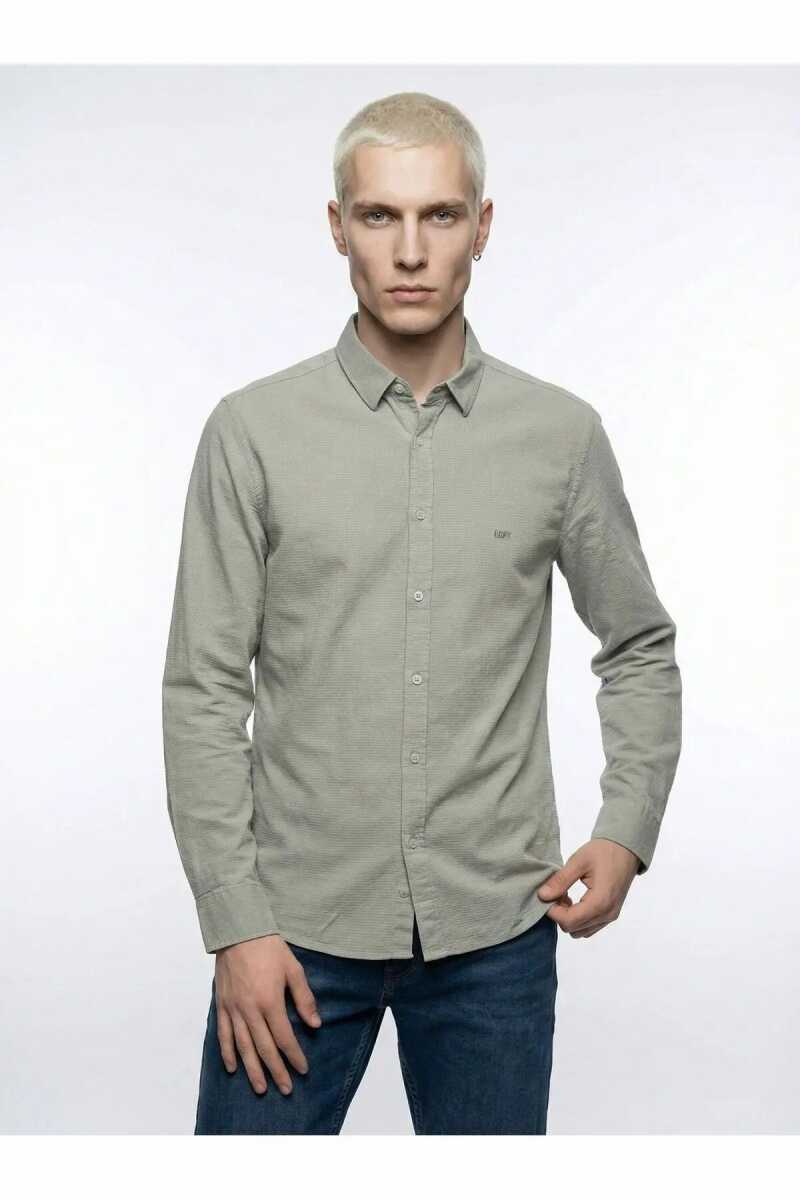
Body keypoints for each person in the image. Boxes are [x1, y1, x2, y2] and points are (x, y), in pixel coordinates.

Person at [161, 91, 682, 1136]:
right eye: (379, 216)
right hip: (292, 938)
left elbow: (637, 645)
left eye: (439, 215)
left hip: (496, 937)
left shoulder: (559, 436)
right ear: (337, 226)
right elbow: (203, 690)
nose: (408, 250)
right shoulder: (251, 433)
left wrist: (625, 830)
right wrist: (235, 924)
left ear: (481, 227)